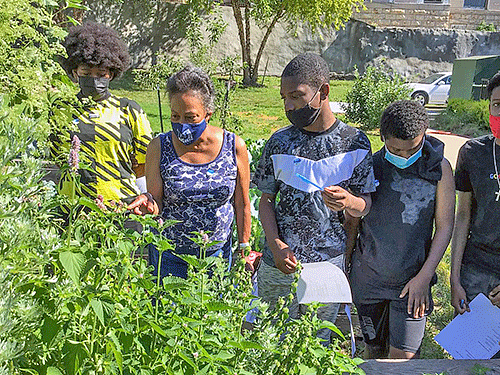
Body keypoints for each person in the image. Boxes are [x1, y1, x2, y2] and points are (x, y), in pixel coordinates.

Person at [252, 53, 376, 343]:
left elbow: (365, 205)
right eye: (284, 97)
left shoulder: (355, 142)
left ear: (324, 91)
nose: (289, 106)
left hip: (326, 266)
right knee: (271, 341)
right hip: (278, 264)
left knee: (315, 344)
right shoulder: (279, 142)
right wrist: (275, 244)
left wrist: (349, 202)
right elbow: (266, 199)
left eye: (297, 96)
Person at [349, 100, 455, 359]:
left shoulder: (439, 169)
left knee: (404, 360)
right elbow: (353, 222)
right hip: (368, 281)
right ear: (382, 136)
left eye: (413, 149)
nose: (405, 156)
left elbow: (444, 226)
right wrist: (346, 262)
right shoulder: (370, 167)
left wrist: (424, 277)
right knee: (372, 351)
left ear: (425, 135)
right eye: (396, 149)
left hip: (412, 283)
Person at [128, 66, 252, 279]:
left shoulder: (233, 146)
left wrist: (244, 245)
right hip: (170, 255)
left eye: (191, 117)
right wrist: (148, 203)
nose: (182, 125)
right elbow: (157, 200)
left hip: (216, 256)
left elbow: (242, 202)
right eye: (175, 117)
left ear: (208, 114)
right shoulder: (159, 147)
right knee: (168, 311)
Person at [51, 22, 152, 205]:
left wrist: (145, 195)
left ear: (111, 75)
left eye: (101, 73)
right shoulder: (61, 109)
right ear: (75, 72)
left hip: (121, 205)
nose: (93, 79)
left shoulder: (129, 110)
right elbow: (57, 157)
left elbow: (145, 162)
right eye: (86, 72)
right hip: (74, 205)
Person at [451, 72, 500, 316]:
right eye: (497, 105)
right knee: (470, 352)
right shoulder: (472, 153)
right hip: (476, 269)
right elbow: (463, 216)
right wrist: (455, 279)